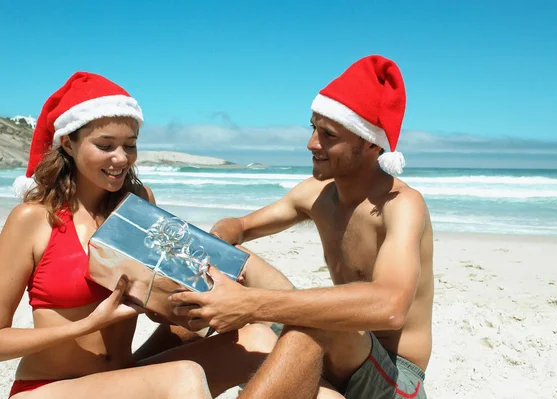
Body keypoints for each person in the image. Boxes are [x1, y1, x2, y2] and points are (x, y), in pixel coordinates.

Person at [169, 55, 434, 398]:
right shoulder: (317, 194)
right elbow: (240, 226)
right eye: (312, 128)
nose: (311, 143)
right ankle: (139, 375)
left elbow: (391, 306)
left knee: (317, 324)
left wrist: (250, 305)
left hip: (395, 379)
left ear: (370, 143)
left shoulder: (400, 206)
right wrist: (216, 245)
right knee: (224, 261)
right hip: (339, 351)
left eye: (328, 134)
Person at [0, 72, 277, 398]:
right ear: (68, 143)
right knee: (183, 378)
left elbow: (156, 299)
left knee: (259, 341)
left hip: (124, 378)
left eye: (129, 145)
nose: (121, 158)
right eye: (105, 145)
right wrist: (86, 325)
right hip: (47, 389)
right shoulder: (33, 218)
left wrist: (196, 301)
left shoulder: (137, 204)